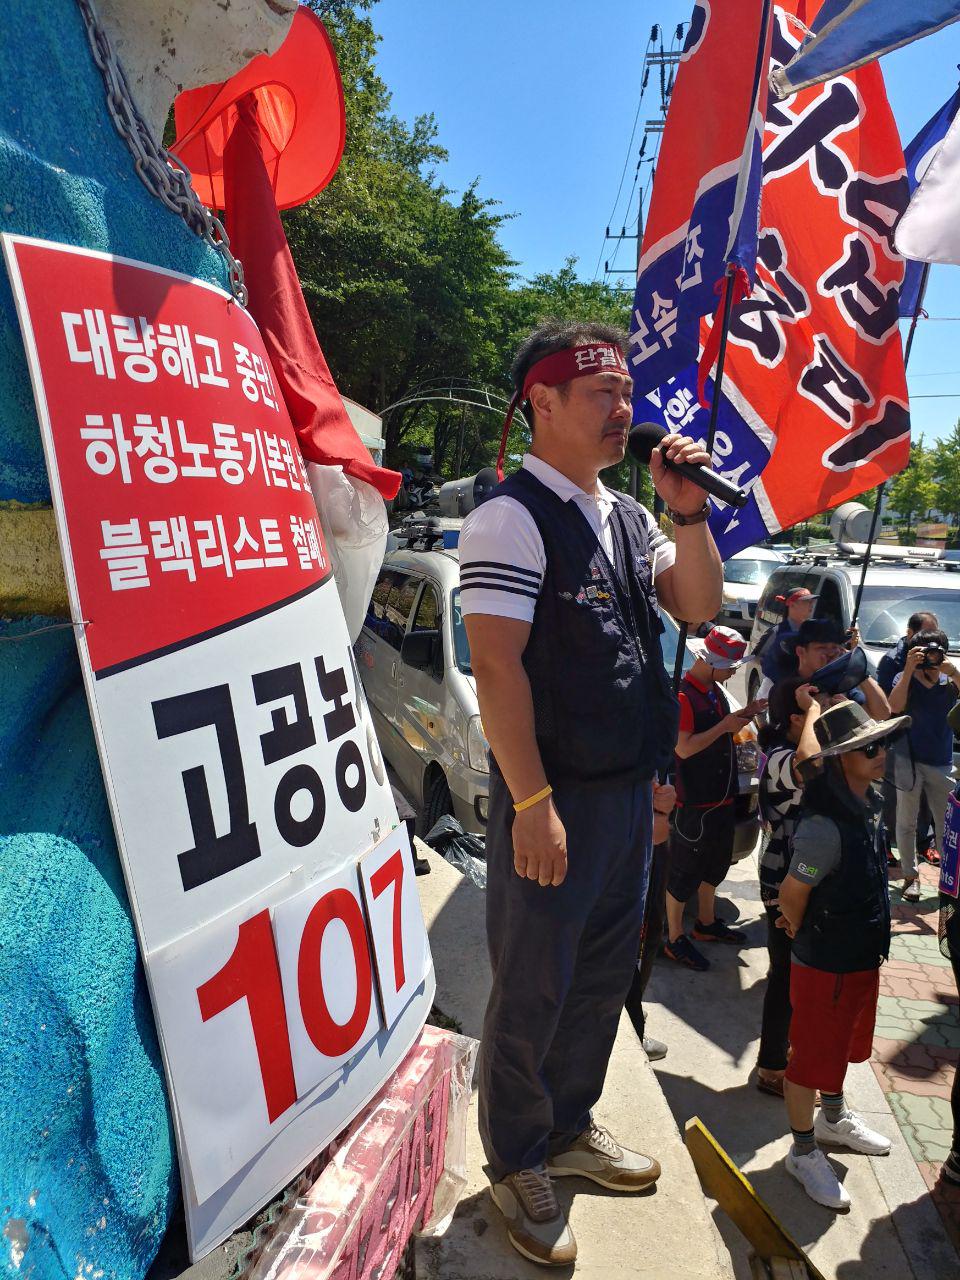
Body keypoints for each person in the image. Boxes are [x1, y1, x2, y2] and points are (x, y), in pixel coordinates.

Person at [459, 319, 722, 1267]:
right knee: (533, 981)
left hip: (624, 797)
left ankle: (569, 1126)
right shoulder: (509, 517)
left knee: (605, 974)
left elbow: (696, 606)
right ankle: (516, 1155)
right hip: (554, 796)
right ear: (543, 401)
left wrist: (687, 513)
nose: (626, 412)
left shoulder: (627, 514)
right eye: (602, 395)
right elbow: (496, 669)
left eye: (626, 393)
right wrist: (533, 805)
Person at [777, 700, 910, 1210]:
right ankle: (803, 1151)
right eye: (868, 748)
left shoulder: (866, 803)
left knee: (843, 1047)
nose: (881, 754)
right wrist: (795, 924)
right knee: (810, 1059)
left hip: (859, 957)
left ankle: (832, 1119)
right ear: (840, 760)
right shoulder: (824, 825)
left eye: (882, 744)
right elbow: (794, 891)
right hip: (825, 963)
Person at [663, 625, 766, 972]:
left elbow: (725, 729)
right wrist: (725, 727)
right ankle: (674, 937)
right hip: (694, 803)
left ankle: (706, 922)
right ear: (709, 662)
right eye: (730, 665)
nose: (734, 671)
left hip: (721, 798)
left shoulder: (714, 691)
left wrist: (748, 713)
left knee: (714, 865)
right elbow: (684, 747)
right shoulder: (683, 695)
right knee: (683, 872)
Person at [755, 678, 827, 1096]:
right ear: (795, 718)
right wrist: (815, 711)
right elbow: (809, 765)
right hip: (782, 879)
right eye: (814, 710)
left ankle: (785, 1060)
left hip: (797, 874)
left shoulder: (795, 746)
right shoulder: (783, 756)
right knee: (784, 975)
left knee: (794, 973)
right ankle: (771, 1068)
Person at [888, 629, 960, 902]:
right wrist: (908, 671)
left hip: (941, 762)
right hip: (908, 759)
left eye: (936, 651)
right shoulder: (903, 678)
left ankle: (949, 880)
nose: (931, 657)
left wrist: (953, 672)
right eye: (924, 652)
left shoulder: (950, 680)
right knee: (906, 821)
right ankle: (911, 877)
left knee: (947, 825)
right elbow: (893, 707)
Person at [877, 611, 940, 869]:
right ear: (910, 633)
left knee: (927, 799)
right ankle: (887, 845)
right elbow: (888, 706)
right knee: (893, 796)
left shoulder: (939, 659)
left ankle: (925, 845)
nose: (931, 642)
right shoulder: (893, 660)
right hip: (899, 738)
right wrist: (909, 670)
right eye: (925, 635)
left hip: (932, 743)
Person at [624, 780, 676, 1061]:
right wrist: (646, 817)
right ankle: (631, 1027)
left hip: (650, 846)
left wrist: (663, 803)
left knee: (651, 930)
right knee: (629, 944)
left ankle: (632, 1014)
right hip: (620, 843)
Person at [781, 617, 890, 722]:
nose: (831, 653)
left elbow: (882, 714)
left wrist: (857, 667)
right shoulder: (784, 689)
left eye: (835, 647)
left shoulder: (840, 684)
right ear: (801, 652)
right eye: (822, 648)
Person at [756, 587, 819, 699]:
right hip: (774, 692)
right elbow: (759, 657)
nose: (811, 605)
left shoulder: (813, 632)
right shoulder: (776, 632)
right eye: (806, 601)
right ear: (792, 604)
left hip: (803, 691)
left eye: (811, 601)